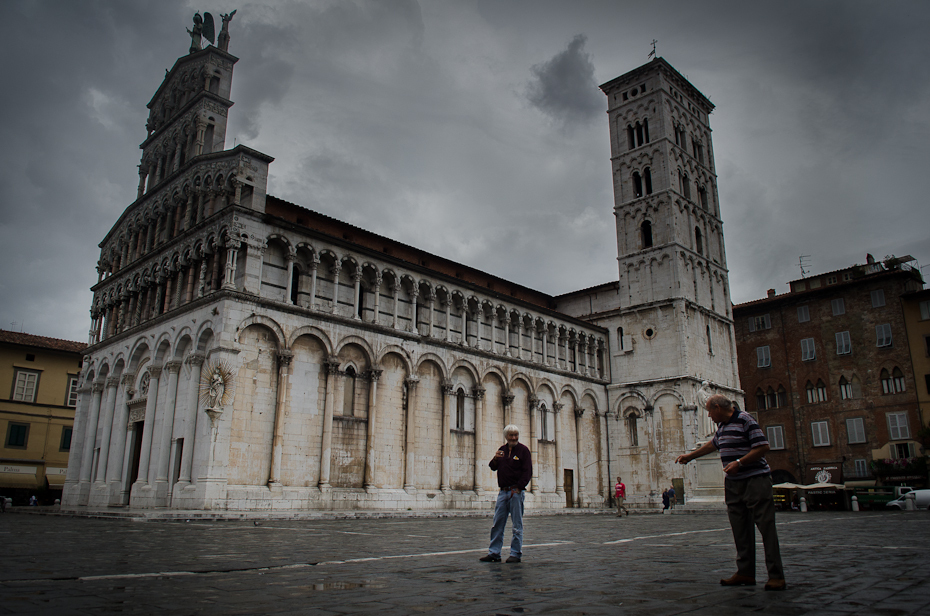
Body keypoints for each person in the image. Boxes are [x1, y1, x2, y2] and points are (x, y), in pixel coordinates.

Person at [676, 394, 786, 591]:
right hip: (734, 483)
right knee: (740, 529)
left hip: (755, 480)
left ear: (718, 408)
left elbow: (763, 446)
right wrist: (690, 456)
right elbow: (713, 444)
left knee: (766, 528)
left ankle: (776, 576)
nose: (708, 416)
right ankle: (745, 572)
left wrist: (740, 462)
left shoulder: (745, 420)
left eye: (709, 411)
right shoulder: (723, 426)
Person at [480, 425, 532, 564]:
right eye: (511, 435)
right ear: (506, 437)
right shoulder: (502, 450)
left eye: (516, 435)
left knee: (516, 525)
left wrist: (519, 487)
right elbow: (492, 466)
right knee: (497, 523)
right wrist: (495, 458)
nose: (514, 437)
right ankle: (494, 553)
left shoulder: (523, 451)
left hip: (515, 492)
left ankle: (515, 553)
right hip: (503, 492)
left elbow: (528, 471)